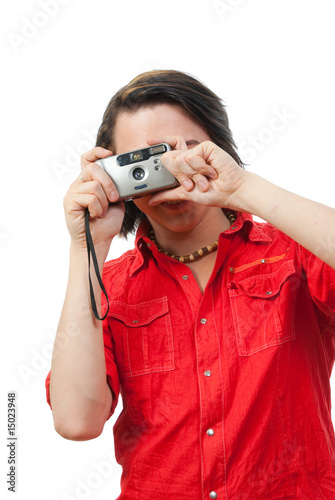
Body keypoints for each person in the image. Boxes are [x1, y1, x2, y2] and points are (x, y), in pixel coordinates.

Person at [46, 70, 335, 499]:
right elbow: (76, 421)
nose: (169, 171)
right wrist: (87, 245)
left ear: (220, 149)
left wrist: (241, 188)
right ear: (113, 175)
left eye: (185, 151)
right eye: (143, 162)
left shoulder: (296, 251)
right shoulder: (109, 286)